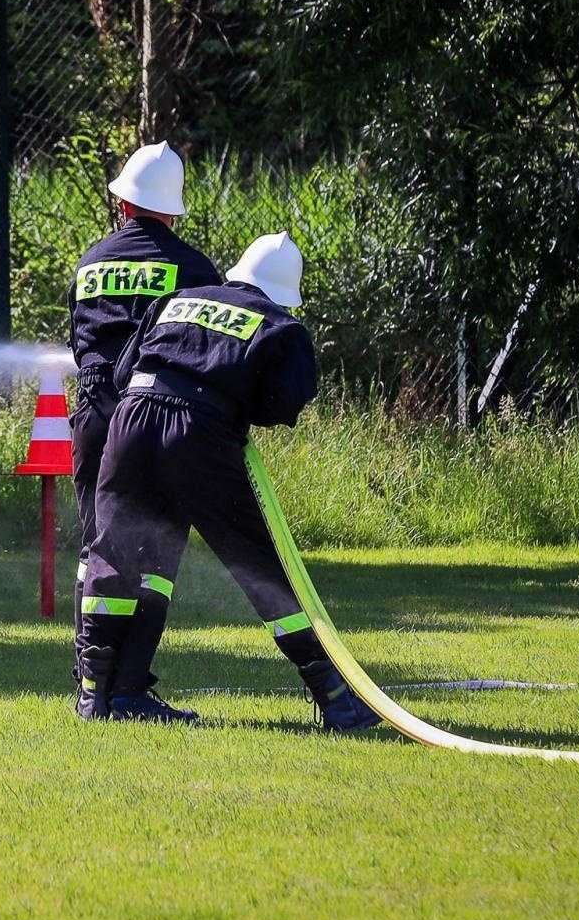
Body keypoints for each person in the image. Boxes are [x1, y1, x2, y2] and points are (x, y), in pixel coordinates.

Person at [76, 231, 381, 731]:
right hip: (198, 434)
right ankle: (336, 699)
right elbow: (283, 403)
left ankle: (99, 695)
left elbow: (125, 369)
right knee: (260, 565)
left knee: (115, 555)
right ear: (283, 291)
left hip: (128, 423)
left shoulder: (178, 300)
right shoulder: (280, 325)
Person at [67, 141, 220, 718]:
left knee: (98, 553)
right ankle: (128, 691)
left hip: (94, 417)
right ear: (172, 210)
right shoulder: (194, 267)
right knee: (154, 558)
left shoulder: (89, 262)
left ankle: (90, 687)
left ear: (123, 203)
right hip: (155, 423)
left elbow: (77, 342)